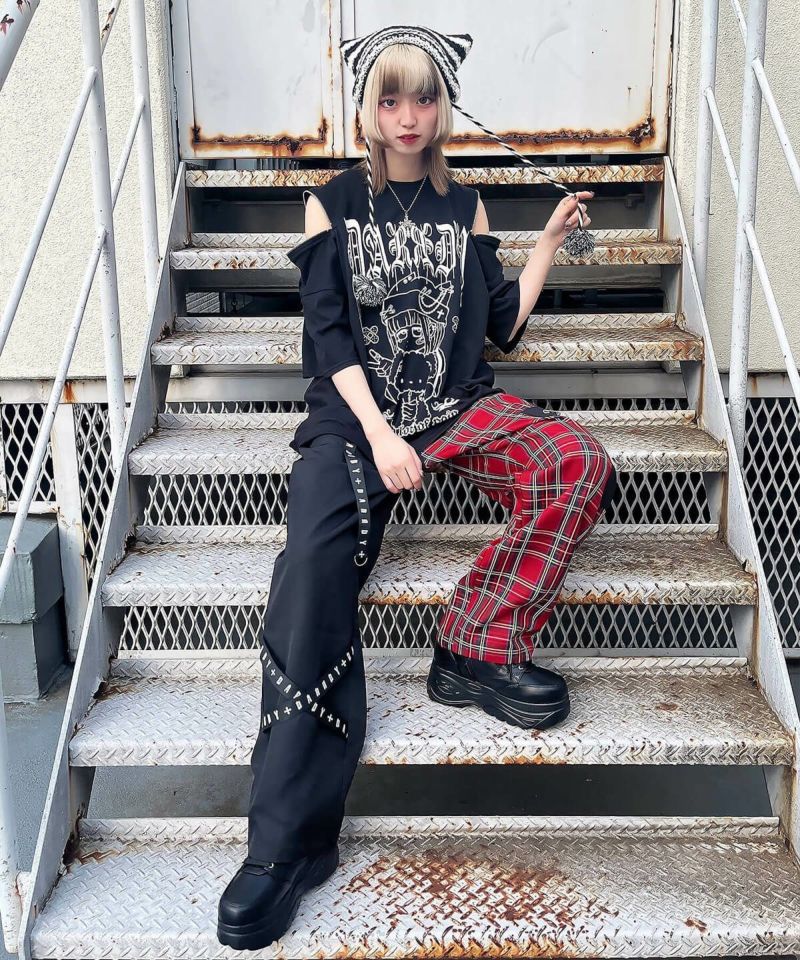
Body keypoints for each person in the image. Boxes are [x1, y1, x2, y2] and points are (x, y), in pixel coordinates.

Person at [217, 24, 617, 951]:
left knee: (576, 461)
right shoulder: (331, 204)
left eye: (425, 97)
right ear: (367, 107)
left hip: (453, 408)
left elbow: (499, 326)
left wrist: (545, 245)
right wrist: (381, 435)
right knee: (310, 571)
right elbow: (328, 336)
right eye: (390, 98)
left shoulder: (465, 207)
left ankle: (476, 641)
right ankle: (285, 846)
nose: (408, 116)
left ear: (444, 107)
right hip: (357, 423)